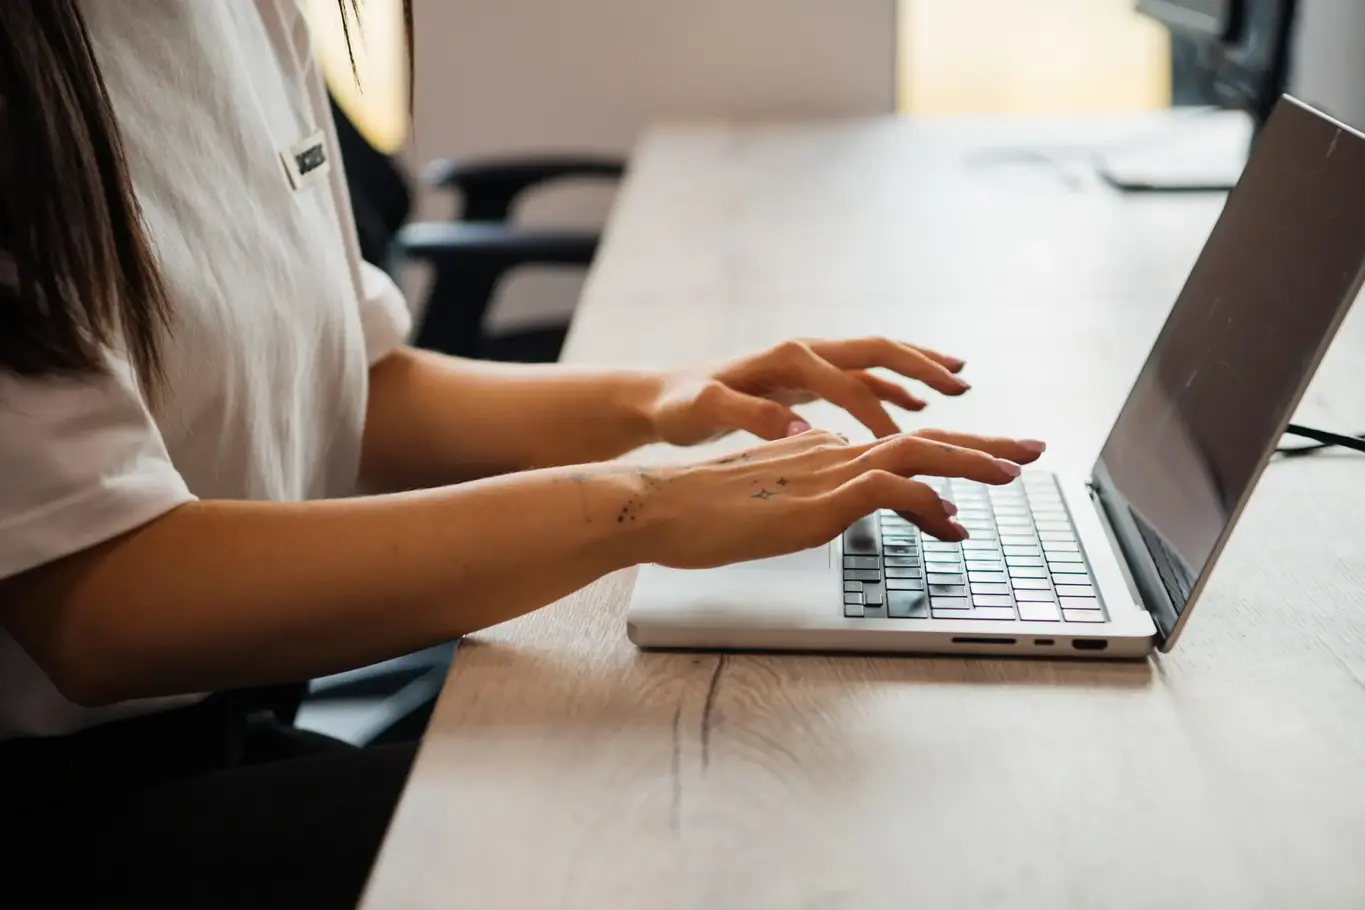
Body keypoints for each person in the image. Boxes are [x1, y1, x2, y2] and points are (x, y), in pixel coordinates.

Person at [0, 2, 1046, 907]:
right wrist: (646, 507)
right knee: (700, 813)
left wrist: (665, 400)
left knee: (748, 754)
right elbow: (103, 608)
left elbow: (359, 387)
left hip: (237, 723)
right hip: (72, 810)